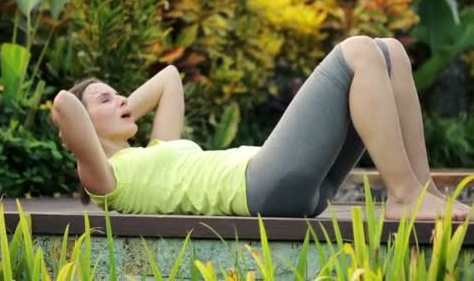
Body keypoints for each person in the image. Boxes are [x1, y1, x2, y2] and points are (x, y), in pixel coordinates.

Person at [51, 35, 472, 220]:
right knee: (358, 51)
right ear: (80, 131)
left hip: (301, 191)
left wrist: (118, 110)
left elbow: (170, 77)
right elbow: (64, 104)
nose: (123, 99)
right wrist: (88, 126)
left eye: (119, 94)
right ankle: (403, 195)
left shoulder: (157, 150)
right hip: (260, 186)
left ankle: (422, 189)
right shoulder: (107, 180)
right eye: (106, 99)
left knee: (390, 51)